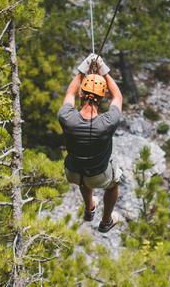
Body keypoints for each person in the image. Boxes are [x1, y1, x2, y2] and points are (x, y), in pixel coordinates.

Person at [57, 53, 123, 232]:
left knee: (83, 178)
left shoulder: (67, 117)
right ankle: (106, 220)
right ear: (102, 98)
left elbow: (69, 93)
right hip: (97, 176)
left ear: (81, 93)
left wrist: (82, 71)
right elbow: (118, 97)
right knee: (114, 182)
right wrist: (105, 72)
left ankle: (89, 208)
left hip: (72, 172)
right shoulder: (107, 123)